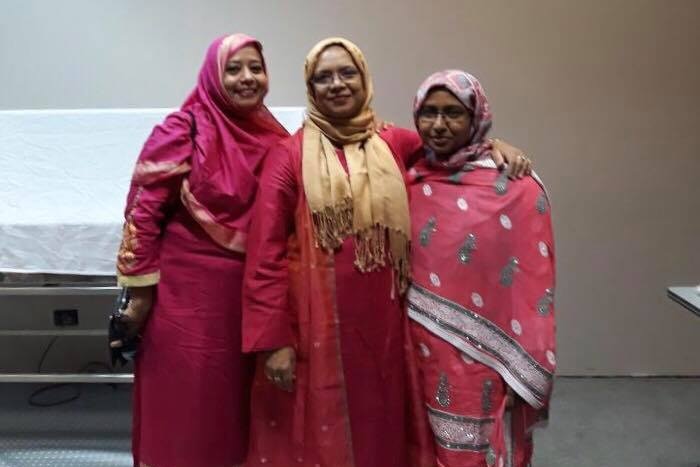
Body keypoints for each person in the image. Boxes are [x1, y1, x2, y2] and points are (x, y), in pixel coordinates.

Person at [240, 38, 531, 467]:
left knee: (380, 418)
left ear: (364, 78)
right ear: (310, 87)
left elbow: (450, 146)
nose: (337, 84)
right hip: (314, 323)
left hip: (385, 321)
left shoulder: (394, 141)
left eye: (347, 73)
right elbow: (263, 256)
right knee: (319, 423)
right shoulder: (288, 157)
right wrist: (273, 342)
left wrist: (495, 146)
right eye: (324, 77)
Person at [112, 33, 289, 467]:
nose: (248, 78)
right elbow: (143, 212)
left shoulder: (276, 136)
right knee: (187, 406)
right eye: (234, 69)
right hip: (188, 302)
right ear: (213, 75)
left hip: (250, 299)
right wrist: (138, 297)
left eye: (256, 68)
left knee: (240, 407)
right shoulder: (185, 128)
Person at [406, 69, 556, 467]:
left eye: (453, 113)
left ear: (476, 118)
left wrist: (526, 353)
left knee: (478, 444)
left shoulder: (517, 186)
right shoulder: (407, 175)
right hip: (417, 341)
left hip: (487, 351)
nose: (438, 124)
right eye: (429, 112)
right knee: (418, 439)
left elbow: (534, 279)